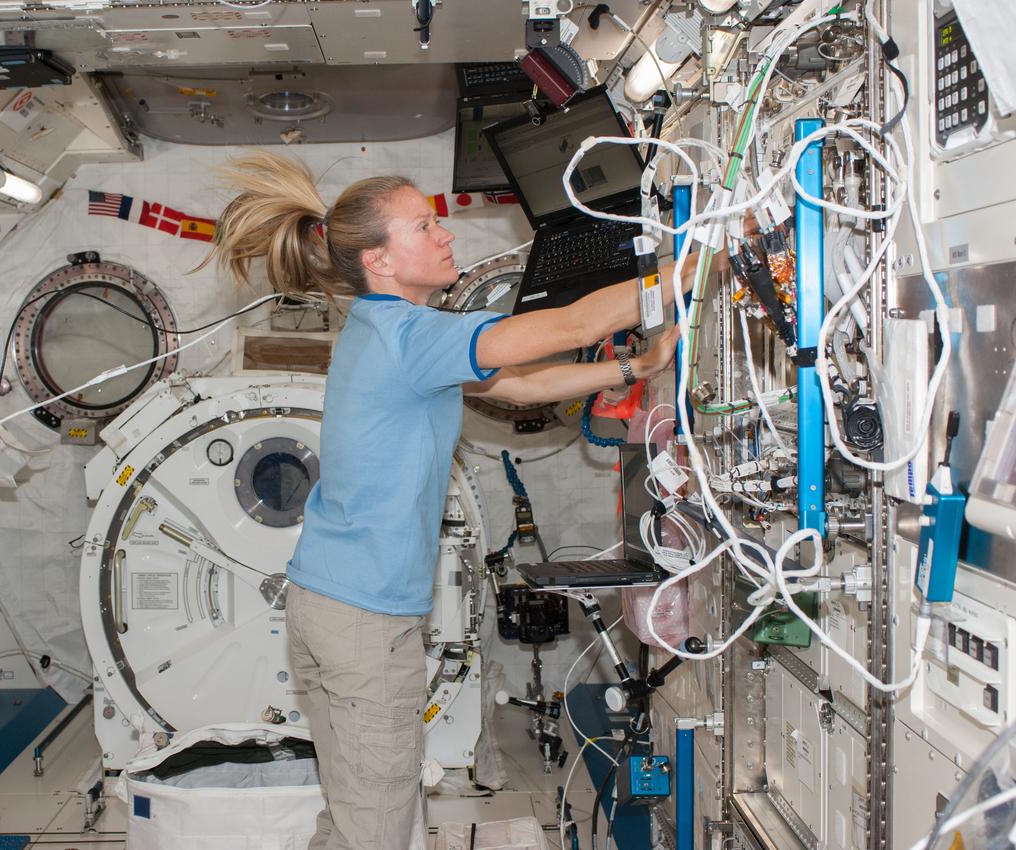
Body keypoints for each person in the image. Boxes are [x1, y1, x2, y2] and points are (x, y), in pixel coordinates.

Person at [201, 151, 695, 850]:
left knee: (350, 813)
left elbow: (515, 386)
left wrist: (631, 367)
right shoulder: (411, 335)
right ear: (379, 260)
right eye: (423, 227)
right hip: (364, 623)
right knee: (377, 824)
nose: (446, 237)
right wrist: (685, 275)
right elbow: (569, 325)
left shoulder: (382, 331)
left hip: (325, 605)